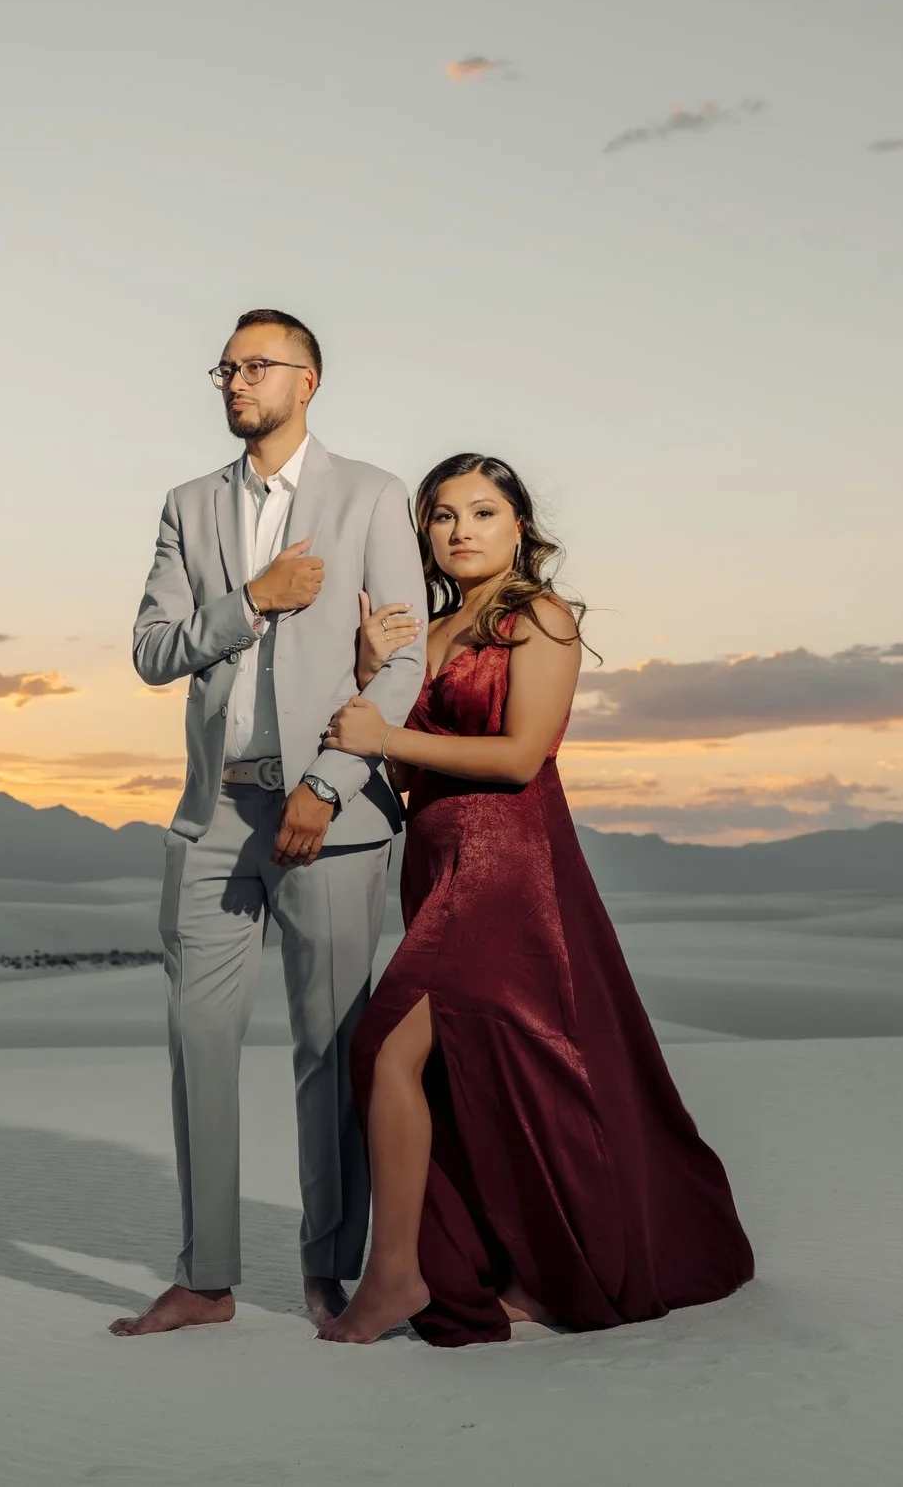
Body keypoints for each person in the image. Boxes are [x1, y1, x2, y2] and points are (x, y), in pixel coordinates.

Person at [314, 453, 753, 1345]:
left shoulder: (538, 619)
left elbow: (521, 756)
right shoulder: (429, 632)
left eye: (483, 511)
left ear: (521, 526)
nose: (461, 529)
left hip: (504, 867)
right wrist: (372, 675)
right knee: (481, 1072)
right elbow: (402, 772)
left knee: (383, 1049)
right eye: (442, 515)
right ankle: (529, 1270)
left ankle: (396, 1275)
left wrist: (387, 725)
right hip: (436, 865)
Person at [112, 308, 429, 1337]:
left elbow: (408, 660)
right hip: (213, 811)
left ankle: (328, 1267)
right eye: (226, 367)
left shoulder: (373, 496)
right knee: (197, 1036)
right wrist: (252, 599)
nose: (234, 381)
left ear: (310, 380)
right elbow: (154, 651)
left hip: (330, 810)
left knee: (326, 1045)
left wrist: (329, 781)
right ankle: (205, 1278)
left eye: (257, 366)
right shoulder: (186, 506)